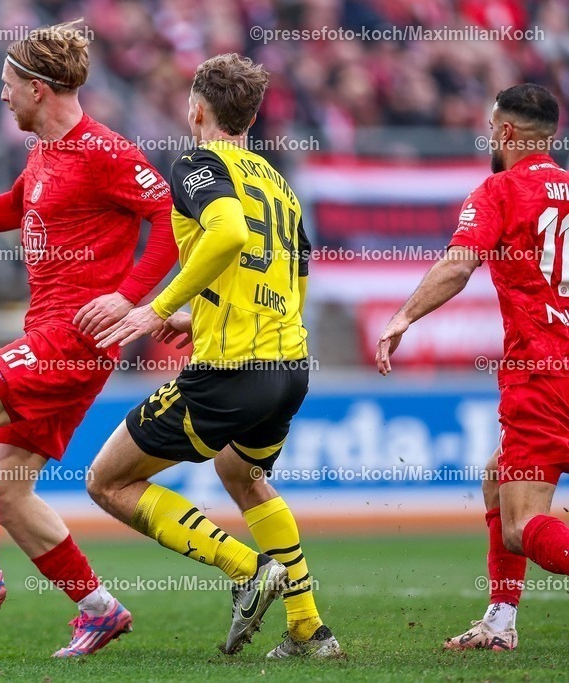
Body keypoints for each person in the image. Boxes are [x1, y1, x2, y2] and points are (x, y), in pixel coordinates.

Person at [0, 21, 178, 657]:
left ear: (38, 89)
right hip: (53, 334)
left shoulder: (105, 150)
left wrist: (132, 298)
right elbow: (15, 206)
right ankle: (98, 608)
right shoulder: (44, 152)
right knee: (7, 489)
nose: (2, 97)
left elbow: (171, 220)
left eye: (8, 85)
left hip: (73, 336)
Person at [85, 53, 341, 659]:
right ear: (251, 118)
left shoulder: (200, 163)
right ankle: (308, 627)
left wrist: (154, 307)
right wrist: (192, 316)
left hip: (233, 371)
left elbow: (226, 233)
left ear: (196, 107)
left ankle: (246, 569)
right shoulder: (278, 182)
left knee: (106, 481)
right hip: (289, 365)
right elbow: (294, 272)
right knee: (242, 474)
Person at [378, 83, 569, 652]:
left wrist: (403, 316)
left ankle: (501, 621)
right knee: (496, 477)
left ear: (507, 132)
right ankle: (500, 621)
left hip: (543, 376)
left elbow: (458, 266)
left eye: (491, 126)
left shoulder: (500, 191)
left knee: (520, 524)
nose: (488, 136)